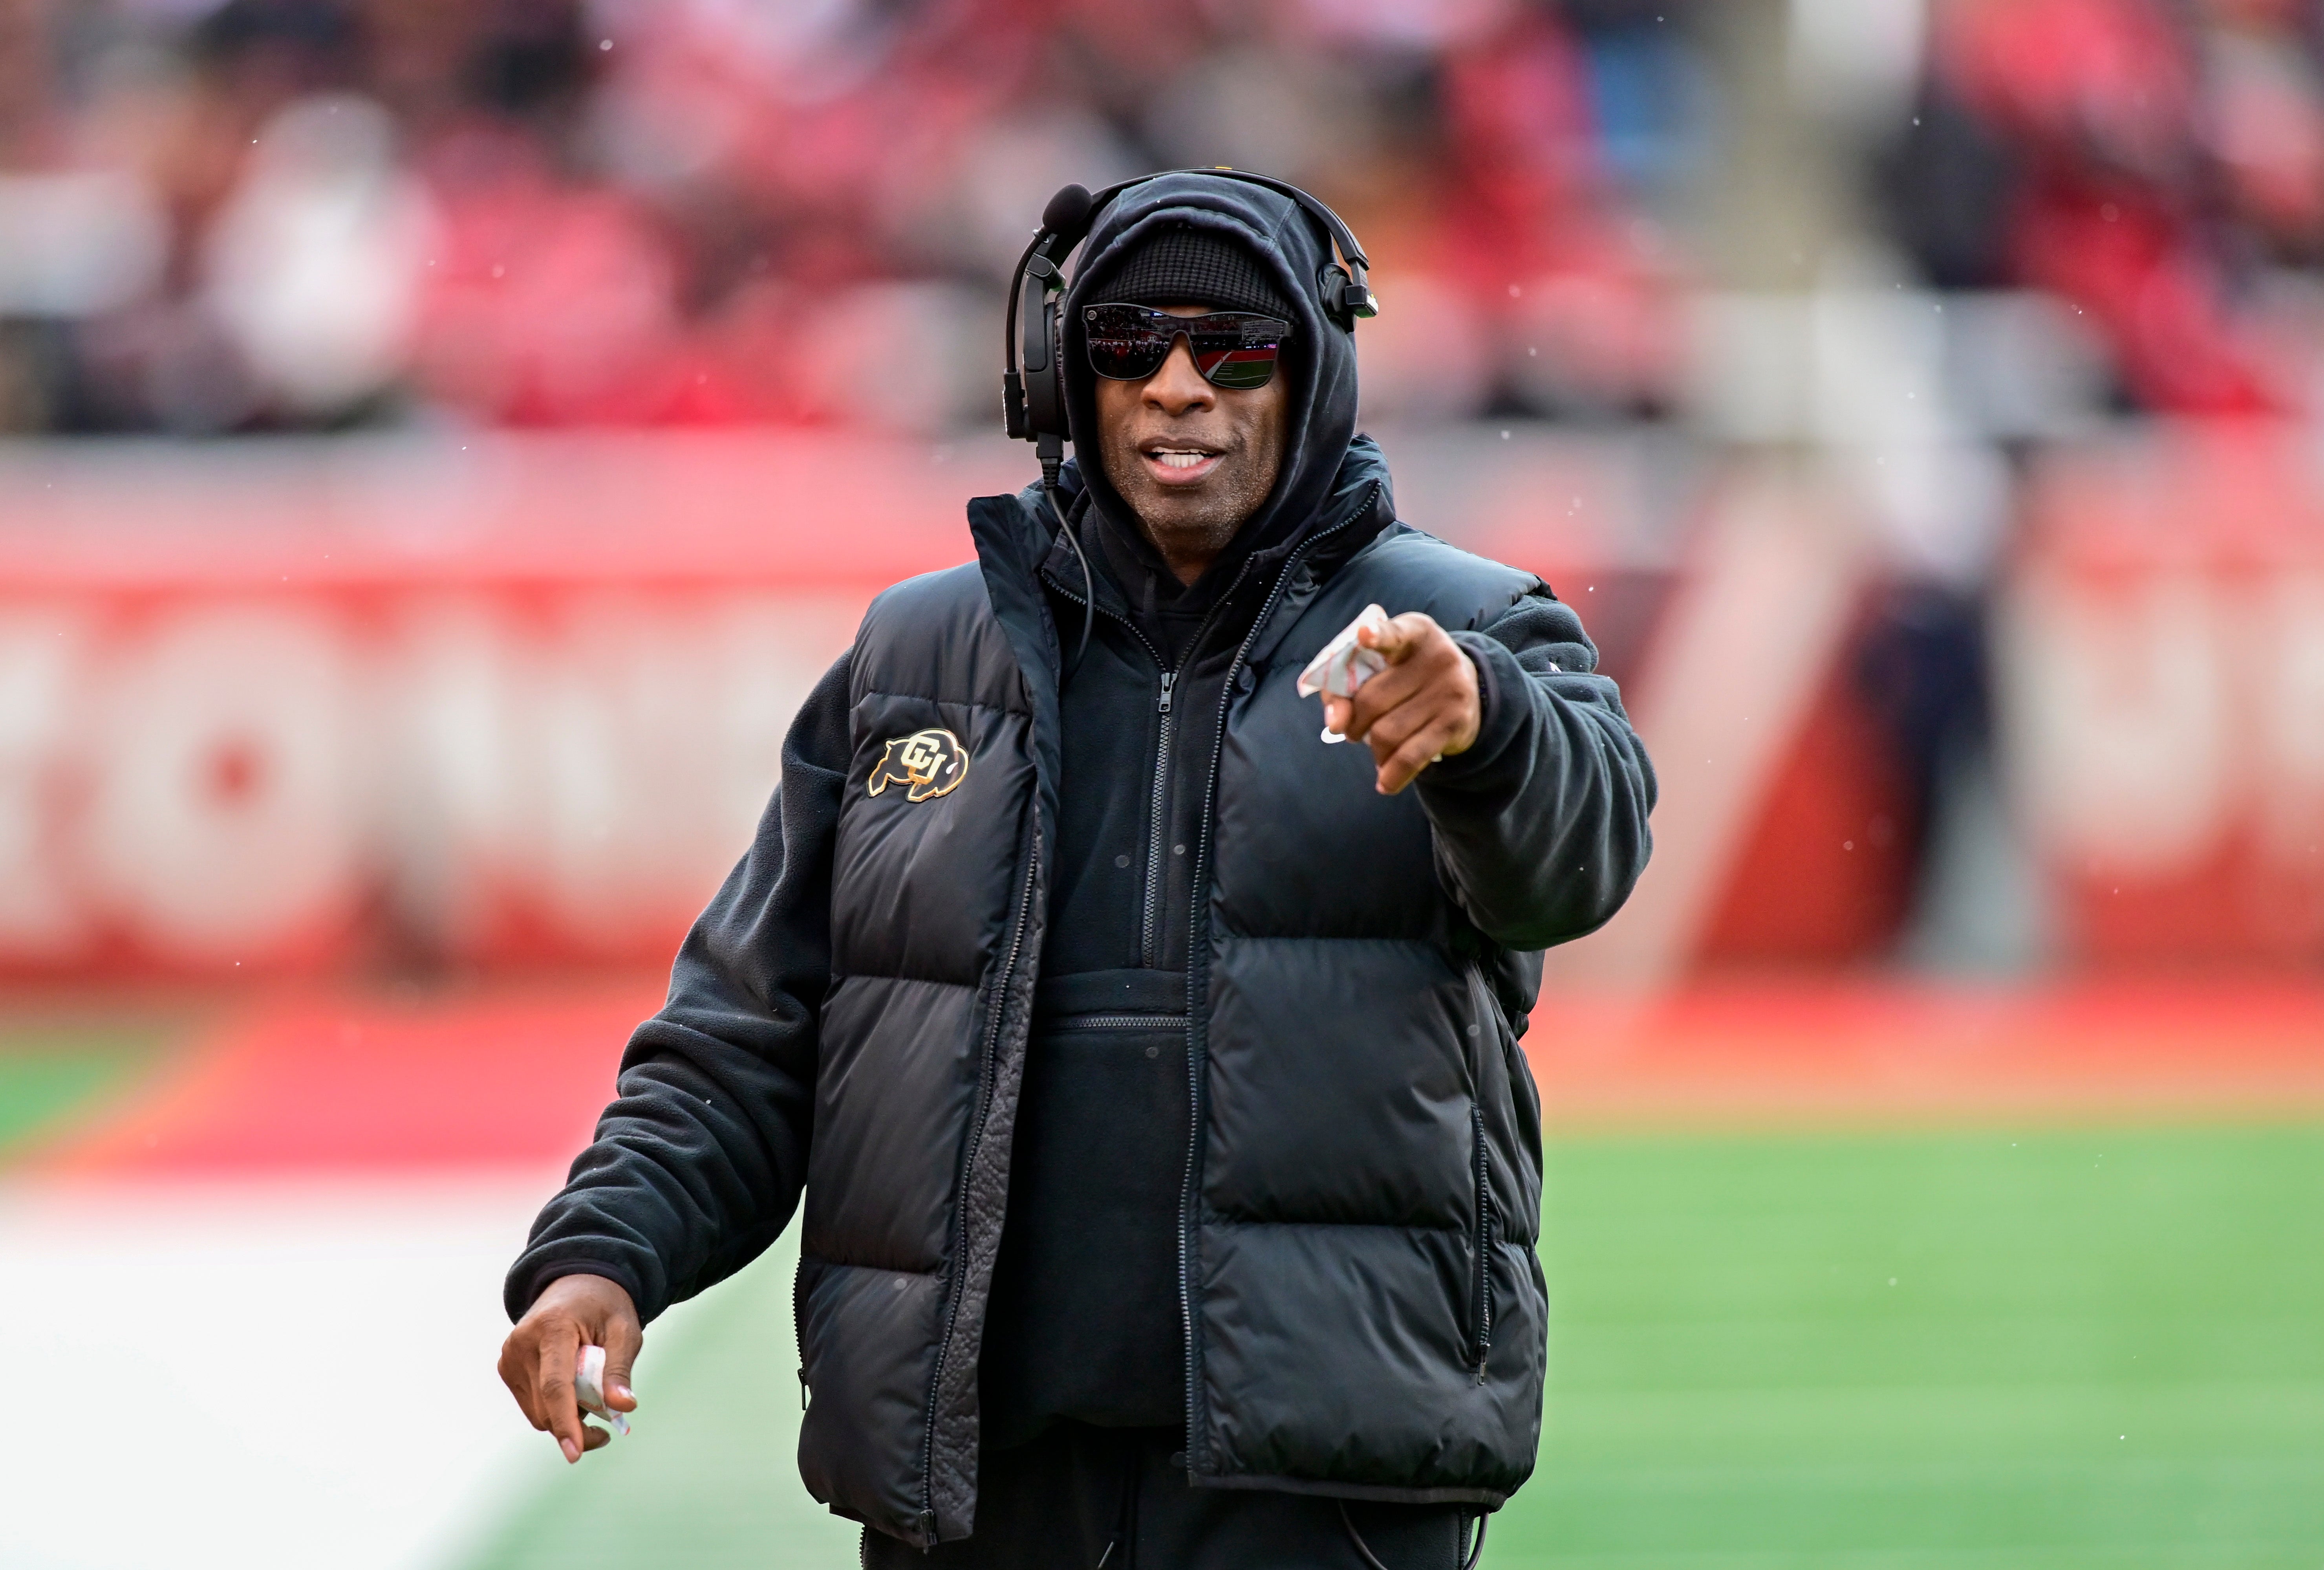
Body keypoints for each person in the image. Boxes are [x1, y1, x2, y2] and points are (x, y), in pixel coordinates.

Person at [497, 170, 1656, 1569]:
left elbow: (1581, 864)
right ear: (1063, 377)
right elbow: (751, 1028)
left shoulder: (1466, 629)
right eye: (1128, 342)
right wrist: (605, 1248)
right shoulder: (913, 656)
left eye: (1234, 348)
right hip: (977, 1476)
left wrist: (1490, 728)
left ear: (1313, 373)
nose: (1176, 384)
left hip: (1324, 1484)